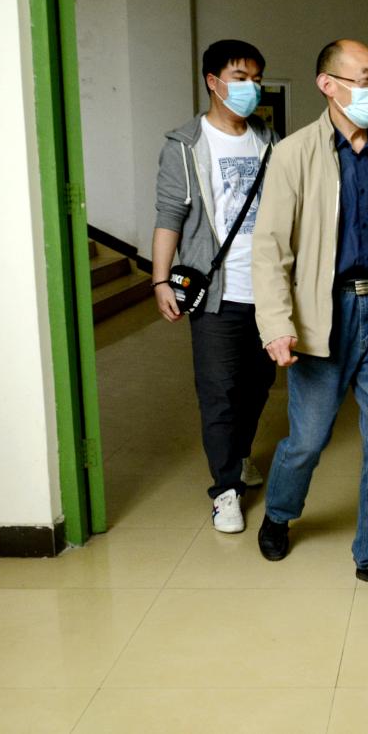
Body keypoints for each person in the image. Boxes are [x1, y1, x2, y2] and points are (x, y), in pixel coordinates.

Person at [251, 39, 368, 600]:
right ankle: (279, 513)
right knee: (308, 439)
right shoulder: (294, 155)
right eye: (364, 79)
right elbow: (270, 247)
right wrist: (276, 323)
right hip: (322, 315)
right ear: (328, 85)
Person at [152, 39, 278, 534]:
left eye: (256, 78)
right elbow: (169, 215)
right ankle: (226, 489)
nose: (251, 87)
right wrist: (160, 279)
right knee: (219, 391)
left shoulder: (270, 141)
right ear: (213, 81)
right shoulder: (186, 145)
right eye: (240, 77)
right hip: (217, 292)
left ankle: (241, 453)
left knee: (258, 385)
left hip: (268, 290)